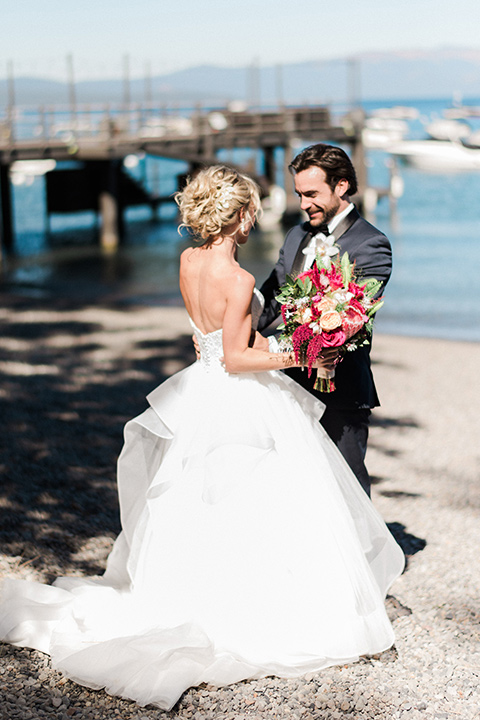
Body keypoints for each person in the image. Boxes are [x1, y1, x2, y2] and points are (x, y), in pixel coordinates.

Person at [0, 166, 404, 711]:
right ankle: (257, 603)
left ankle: (191, 590)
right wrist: (304, 353)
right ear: (239, 216)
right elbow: (238, 358)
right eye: (253, 210)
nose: (258, 217)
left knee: (202, 497)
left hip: (201, 391)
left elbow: (212, 340)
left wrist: (250, 340)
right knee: (264, 498)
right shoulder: (237, 281)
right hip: (239, 394)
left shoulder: (189, 261)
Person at [258, 144, 393, 496]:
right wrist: (227, 330)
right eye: (299, 194)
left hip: (342, 388)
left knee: (345, 488)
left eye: (312, 194)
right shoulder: (296, 235)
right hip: (288, 383)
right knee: (295, 485)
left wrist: (279, 345)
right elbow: (271, 298)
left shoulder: (371, 244)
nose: (303, 204)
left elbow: (355, 317)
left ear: (342, 186)